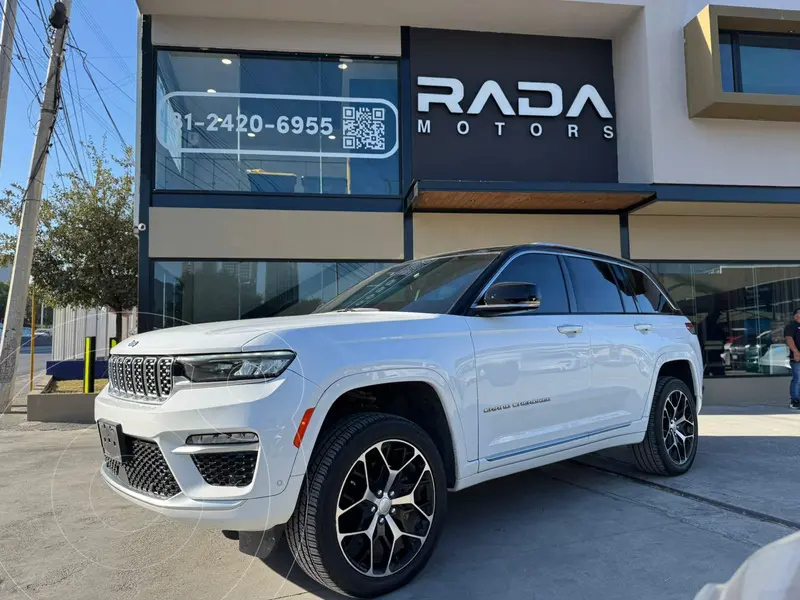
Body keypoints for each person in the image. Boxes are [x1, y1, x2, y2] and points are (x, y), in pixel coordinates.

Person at [783, 309, 800, 409]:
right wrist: (795, 351)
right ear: (795, 316)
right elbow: (789, 339)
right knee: (797, 379)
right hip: (797, 357)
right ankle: (795, 400)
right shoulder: (791, 326)